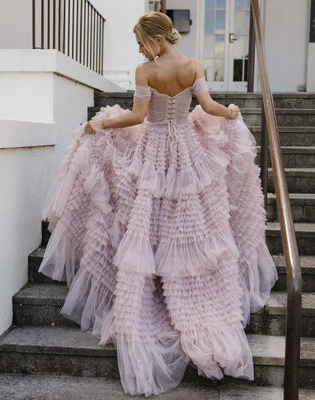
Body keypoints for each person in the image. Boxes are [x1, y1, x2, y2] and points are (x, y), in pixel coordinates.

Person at [39, 11, 278, 397]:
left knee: (150, 213)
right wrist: (231, 113)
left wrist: (99, 125)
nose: (139, 49)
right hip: (185, 149)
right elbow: (211, 106)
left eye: (141, 42)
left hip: (154, 148)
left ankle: (153, 281)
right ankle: (182, 280)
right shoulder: (192, 65)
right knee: (187, 214)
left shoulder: (144, 71)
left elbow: (137, 116)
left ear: (155, 39)